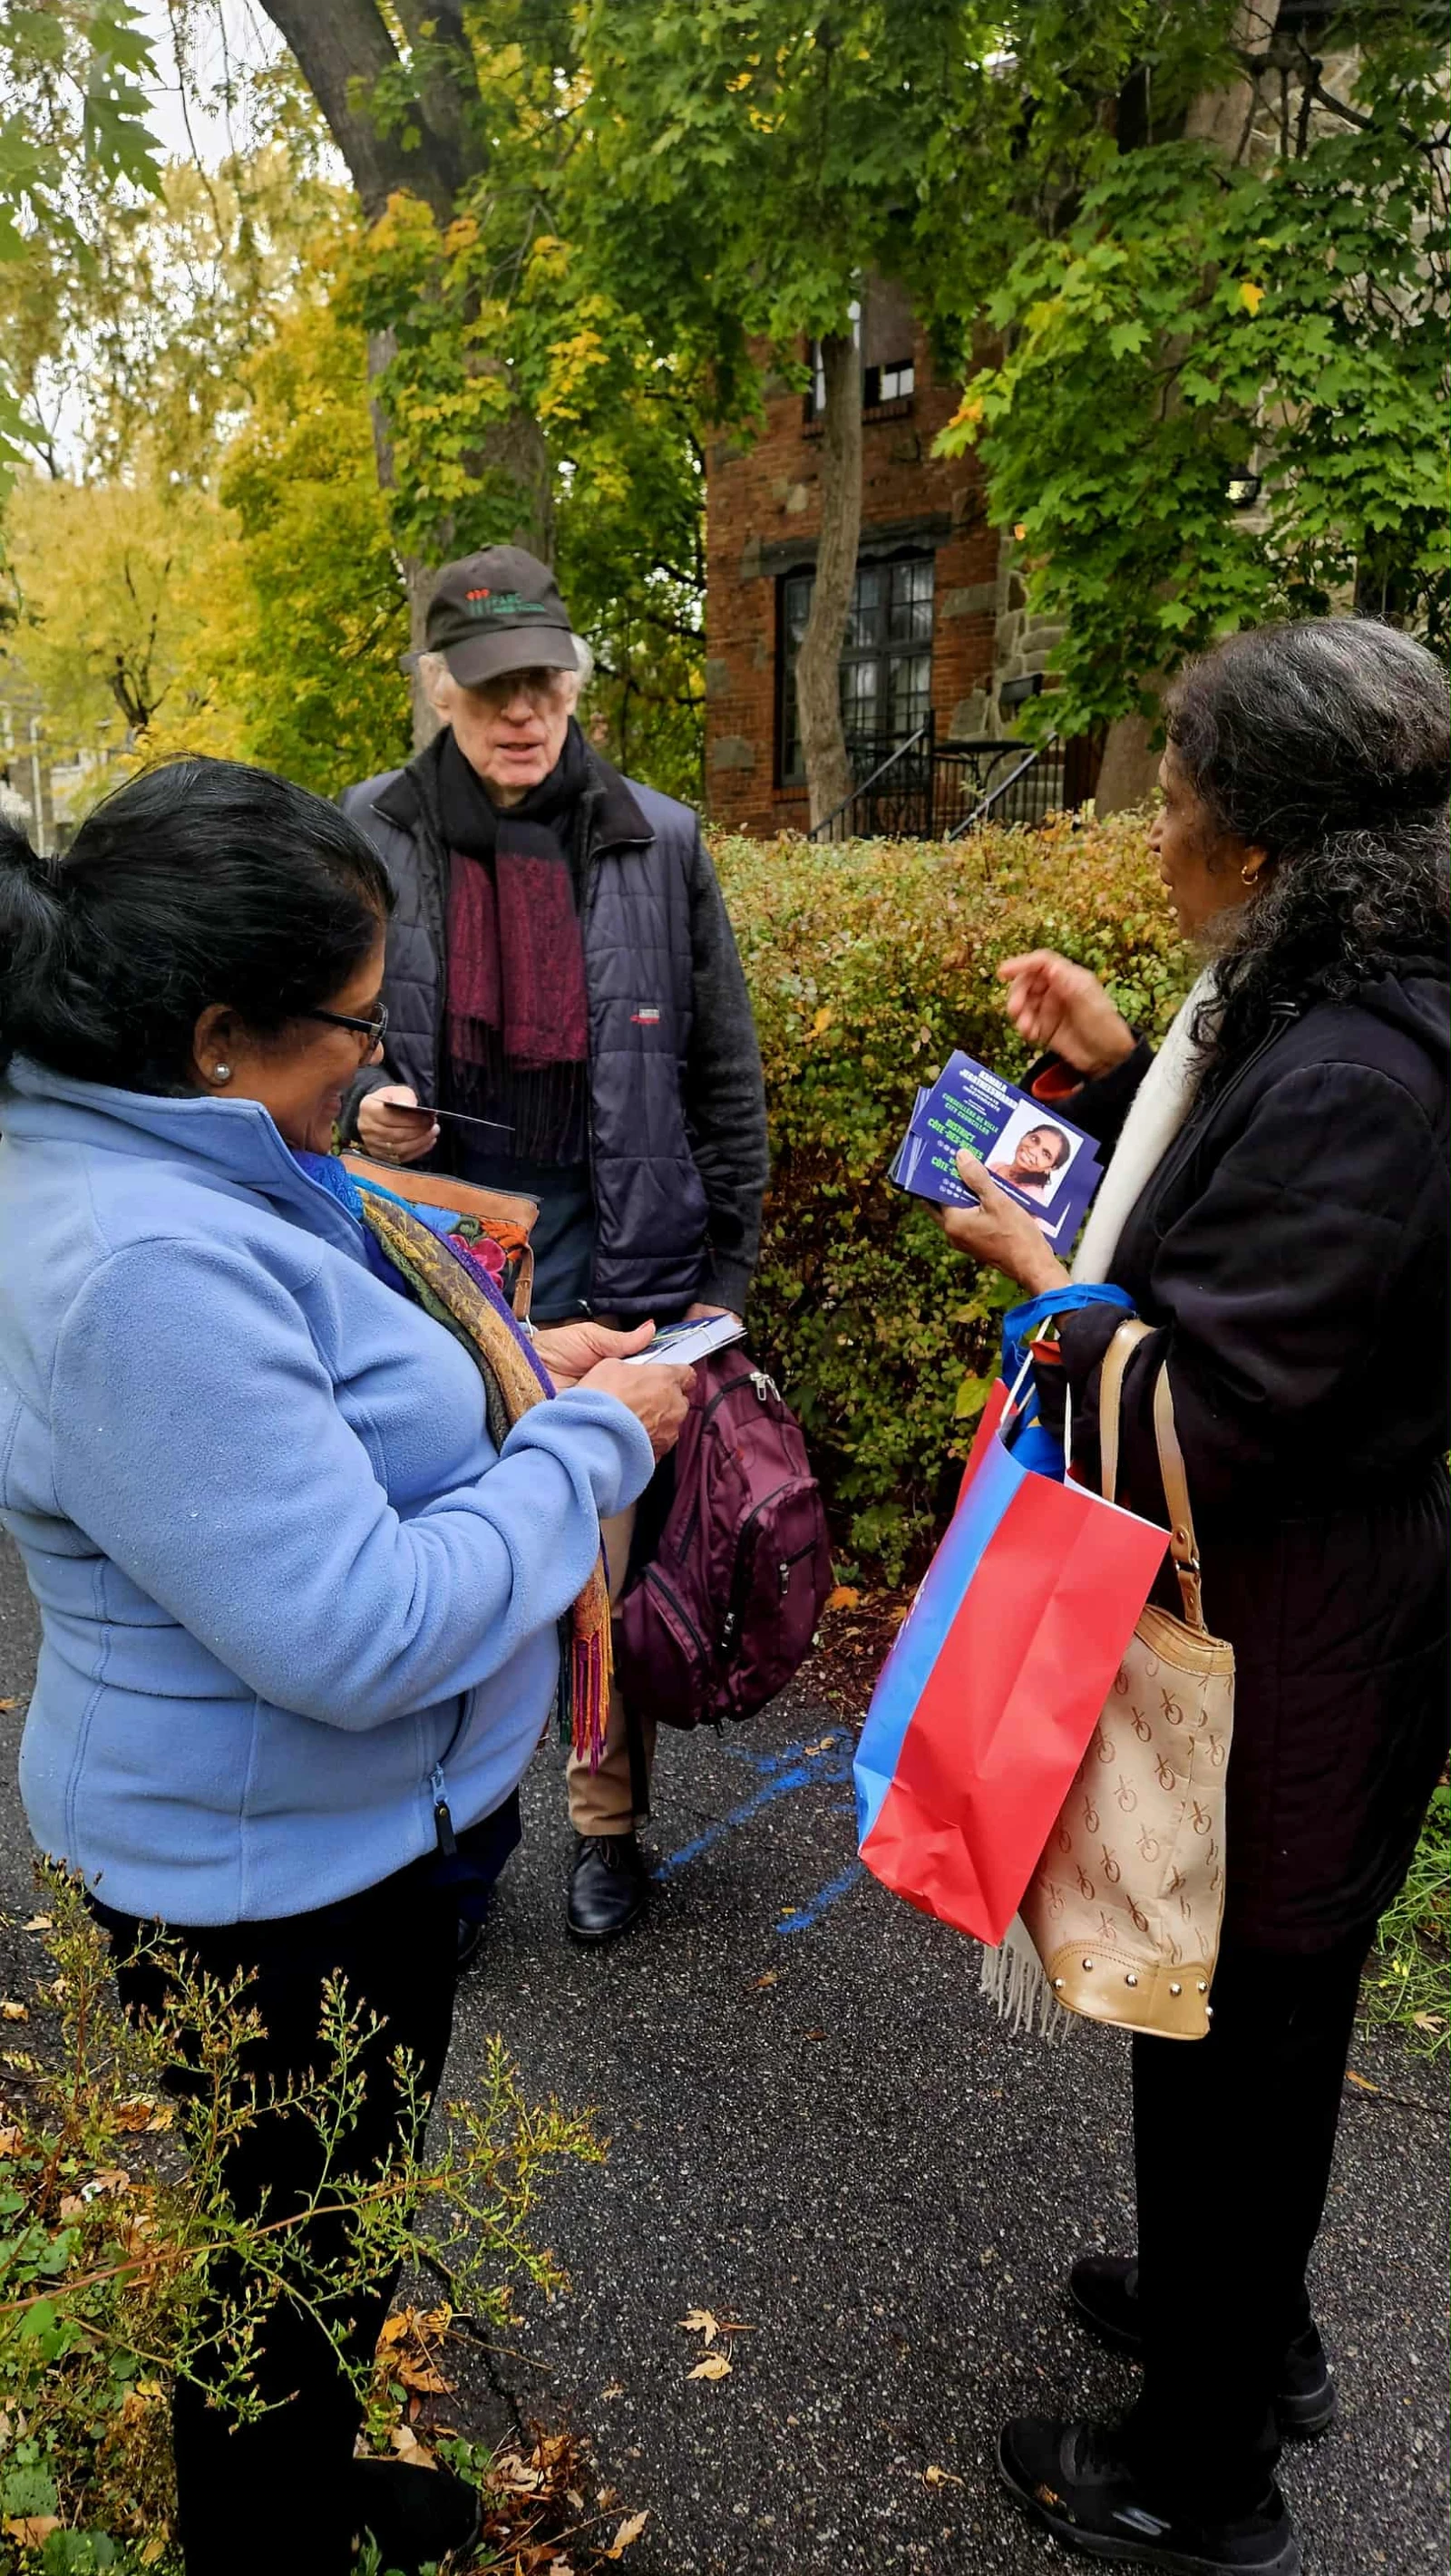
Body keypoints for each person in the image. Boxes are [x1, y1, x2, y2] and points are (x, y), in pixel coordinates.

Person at [0, 759, 692, 2576]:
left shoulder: (180, 1150)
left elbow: (319, 1394)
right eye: (352, 1027)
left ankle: (305, 2488)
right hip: (273, 1884)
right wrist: (588, 1445)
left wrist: (521, 1363)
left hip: (308, 1836)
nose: (374, 1066)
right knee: (288, 2258)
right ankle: (269, 2533)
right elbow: (357, 1628)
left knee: (317, 2232)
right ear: (218, 1033)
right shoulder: (140, 1265)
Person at [937, 618, 1448, 2576]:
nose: (1149, 833)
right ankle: (1248, 2324)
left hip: (1290, 1637)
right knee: (1248, 2013)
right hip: (1311, 1607)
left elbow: (1209, 1413)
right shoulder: (1342, 1004)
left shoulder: (1365, 1074)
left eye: (1170, 799)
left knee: (1238, 2028)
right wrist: (1116, 1066)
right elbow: (1248, 1235)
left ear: (1264, 844)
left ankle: (1196, 2476)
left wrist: (1046, 1291)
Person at [338, 545, 769, 1946]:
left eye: (540, 683)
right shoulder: (369, 832)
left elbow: (723, 1073)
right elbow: (316, 1035)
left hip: (612, 1243)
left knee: (595, 1558)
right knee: (442, 1547)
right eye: (488, 688)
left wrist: (724, 1285)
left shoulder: (659, 839)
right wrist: (361, 1101)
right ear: (439, 691)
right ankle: (453, 1851)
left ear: (575, 685)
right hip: (433, 1253)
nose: (519, 711)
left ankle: (607, 1826)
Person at [986, 1118, 1072, 1198]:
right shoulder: (998, 1165)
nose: (1032, 1151)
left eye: (1045, 1154)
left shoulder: (1032, 1195)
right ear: (1025, 1136)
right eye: (1034, 1139)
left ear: (1051, 1168)